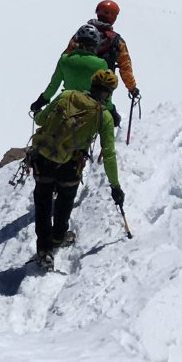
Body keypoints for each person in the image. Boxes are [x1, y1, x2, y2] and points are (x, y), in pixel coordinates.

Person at [28, 67, 123, 267]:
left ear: (91, 84)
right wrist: (115, 186)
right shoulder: (104, 117)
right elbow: (109, 154)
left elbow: (40, 119)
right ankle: (58, 237)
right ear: (109, 93)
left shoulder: (67, 95)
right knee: (64, 200)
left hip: (45, 159)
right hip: (71, 163)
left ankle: (43, 248)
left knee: (43, 202)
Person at [30, 21, 117, 122]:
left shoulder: (64, 59)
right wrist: (112, 111)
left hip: (66, 106)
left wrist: (40, 101)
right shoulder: (101, 63)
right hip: (90, 110)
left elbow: (53, 86)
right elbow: (106, 93)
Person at [68, 0, 139, 102]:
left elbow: (67, 54)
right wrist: (132, 88)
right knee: (111, 117)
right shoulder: (117, 40)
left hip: (75, 84)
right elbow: (125, 66)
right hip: (102, 90)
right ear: (113, 17)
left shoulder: (81, 33)